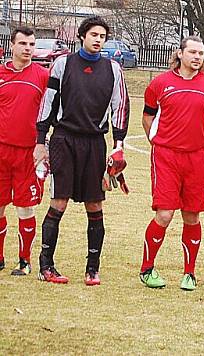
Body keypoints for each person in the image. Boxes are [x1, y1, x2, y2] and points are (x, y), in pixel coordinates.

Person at [35, 16, 129, 285]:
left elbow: (119, 108)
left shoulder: (113, 70)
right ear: (82, 36)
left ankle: (92, 269)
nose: (98, 40)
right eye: (94, 35)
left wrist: (118, 146)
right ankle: (47, 267)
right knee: (59, 202)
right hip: (64, 139)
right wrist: (41, 141)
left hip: (94, 144)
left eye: (102, 36)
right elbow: (48, 103)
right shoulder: (63, 64)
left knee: (95, 204)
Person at [137, 36, 204, 291]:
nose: (197, 57)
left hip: (196, 158)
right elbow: (147, 116)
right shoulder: (161, 83)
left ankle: (189, 273)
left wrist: (200, 140)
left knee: (192, 215)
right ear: (180, 54)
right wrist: (156, 140)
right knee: (164, 213)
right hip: (166, 156)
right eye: (193, 52)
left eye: (201, 54)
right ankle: (147, 268)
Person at [0, 27, 49, 276]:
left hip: (29, 152)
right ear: (12, 45)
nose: (28, 48)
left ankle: (24, 260)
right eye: (23, 43)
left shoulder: (42, 75)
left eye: (31, 44)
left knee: (25, 207)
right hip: (1, 150)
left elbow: (53, 108)